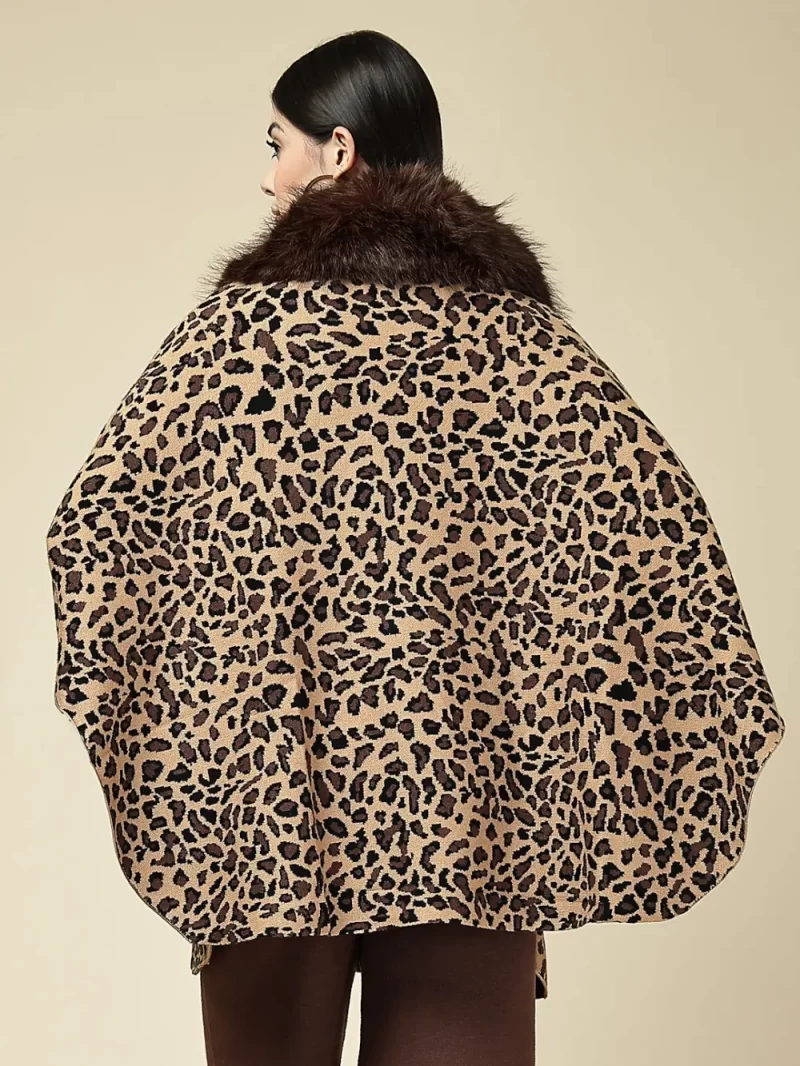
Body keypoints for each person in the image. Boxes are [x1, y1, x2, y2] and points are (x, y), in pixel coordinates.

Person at [45, 28, 786, 1066]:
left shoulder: (234, 342)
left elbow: (100, 528)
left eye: (278, 145)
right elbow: (661, 546)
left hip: (273, 824)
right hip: (470, 833)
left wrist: (202, 723)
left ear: (338, 152)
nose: (269, 177)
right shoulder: (528, 349)